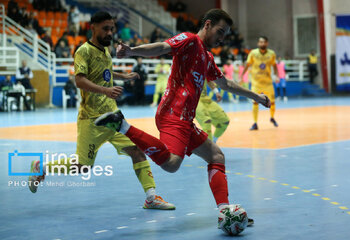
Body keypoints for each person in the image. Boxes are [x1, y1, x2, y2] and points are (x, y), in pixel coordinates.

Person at [95, 9, 270, 227]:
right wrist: (132, 51)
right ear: (207, 25)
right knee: (171, 163)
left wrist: (256, 97)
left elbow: (226, 84)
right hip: (172, 113)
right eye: (220, 31)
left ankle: (225, 211)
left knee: (216, 156)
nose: (222, 38)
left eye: (225, 34)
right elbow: (162, 47)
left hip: (185, 119)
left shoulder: (206, 58)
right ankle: (121, 125)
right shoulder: (189, 40)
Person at [28, 11, 175, 210]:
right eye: (105, 28)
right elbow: (79, 80)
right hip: (92, 119)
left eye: (111, 28)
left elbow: (105, 73)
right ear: (93, 27)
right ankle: (41, 167)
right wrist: (106, 90)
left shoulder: (105, 51)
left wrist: (124, 76)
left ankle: (151, 198)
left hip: (113, 117)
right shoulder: (83, 51)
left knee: (137, 150)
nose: (109, 32)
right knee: (83, 166)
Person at [240, 36, 279, 130]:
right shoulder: (253, 53)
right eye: (261, 42)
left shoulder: (272, 54)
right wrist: (241, 76)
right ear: (258, 43)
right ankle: (255, 123)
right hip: (256, 83)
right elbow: (247, 64)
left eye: (264, 42)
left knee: (272, 102)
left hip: (268, 83)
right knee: (255, 103)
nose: (262, 44)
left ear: (267, 43)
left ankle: (272, 118)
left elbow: (274, 66)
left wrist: (277, 75)